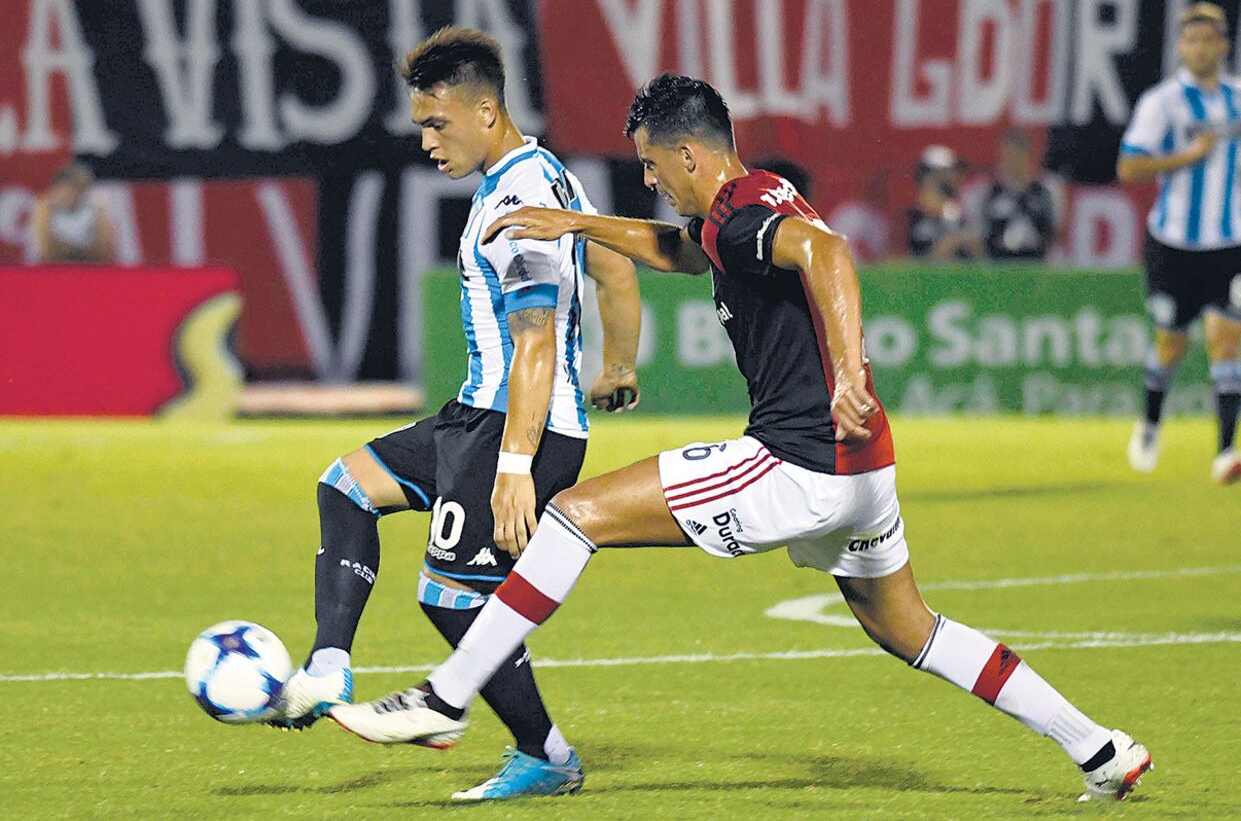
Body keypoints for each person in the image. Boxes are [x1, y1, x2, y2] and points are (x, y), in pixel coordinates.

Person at [329, 74, 1153, 803]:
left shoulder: (748, 210)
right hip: (864, 471)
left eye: (652, 165)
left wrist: (846, 377)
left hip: (796, 461)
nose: (649, 180)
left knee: (574, 514)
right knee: (912, 629)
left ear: (690, 156)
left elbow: (828, 254)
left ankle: (446, 694)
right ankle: (1100, 747)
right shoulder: (738, 207)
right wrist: (576, 223)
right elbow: (682, 253)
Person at [266, 27, 643, 802]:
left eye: (437, 123)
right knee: (345, 486)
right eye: (420, 125)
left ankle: (545, 753)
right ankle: (329, 666)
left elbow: (535, 338)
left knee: (451, 598)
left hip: (515, 427)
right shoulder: (544, 177)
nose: (426, 140)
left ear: (485, 108)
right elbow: (611, 264)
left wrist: (513, 466)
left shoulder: (518, 197)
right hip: (474, 414)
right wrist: (618, 363)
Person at [1119, 2, 1241, 485]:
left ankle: (1225, 451)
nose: (1200, 47)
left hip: (1230, 243)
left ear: (1224, 46)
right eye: (1191, 39)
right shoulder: (1162, 103)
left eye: (1209, 39)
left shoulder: (1239, 98)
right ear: (1180, 47)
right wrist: (1186, 156)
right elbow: (1129, 168)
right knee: (1170, 344)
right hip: (1173, 244)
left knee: (1226, 337)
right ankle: (1150, 423)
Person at [981, 129, 1058, 261]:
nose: (1012, 161)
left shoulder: (1045, 190)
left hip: (1036, 263)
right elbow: (981, 231)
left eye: (1017, 154)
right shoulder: (988, 191)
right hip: (998, 265)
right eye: (1008, 155)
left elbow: (1055, 230)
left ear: (1027, 155)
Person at [31, 162, 117, 264]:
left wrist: (68, 249)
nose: (64, 195)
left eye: (70, 191)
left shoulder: (96, 210)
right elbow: (47, 251)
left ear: (81, 191)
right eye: (61, 190)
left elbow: (104, 252)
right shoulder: (45, 209)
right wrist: (80, 250)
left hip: (89, 268)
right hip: (55, 269)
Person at [907, 145, 981, 261]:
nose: (956, 176)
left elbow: (981, 257)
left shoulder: (955, 213)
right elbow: (897, 262)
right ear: (929, 176)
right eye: (949, 171)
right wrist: (952, 242)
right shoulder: (910, 217)